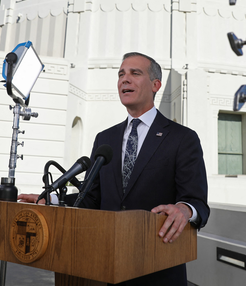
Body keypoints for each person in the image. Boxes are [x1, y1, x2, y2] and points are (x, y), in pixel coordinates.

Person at [18, 52, 209, 285]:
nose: (124, 79)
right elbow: (91, 198)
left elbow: (197, 202)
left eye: (134, 73)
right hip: (104, 267)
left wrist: (185, 210)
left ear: (155, 85)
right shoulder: (105, 139)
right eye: (121, 74)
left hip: (158, 267)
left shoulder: (182, 138)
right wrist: (50, 201)